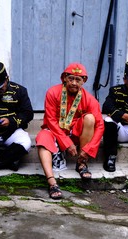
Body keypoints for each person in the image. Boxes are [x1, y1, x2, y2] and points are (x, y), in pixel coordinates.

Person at [35, 62, 105, 199]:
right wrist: (66, 142)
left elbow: (100, 126)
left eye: (78, 80)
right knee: (42, 137)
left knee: (90, 118)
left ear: (84, 81)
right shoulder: (52, 92)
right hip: (55, 131)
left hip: (75, 134)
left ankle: (81, 163)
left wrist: (88, 148)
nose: (73, 83)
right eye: (71, 78)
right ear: (64, 78)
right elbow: (50, 120)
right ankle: (52, 182)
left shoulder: (90, 99)